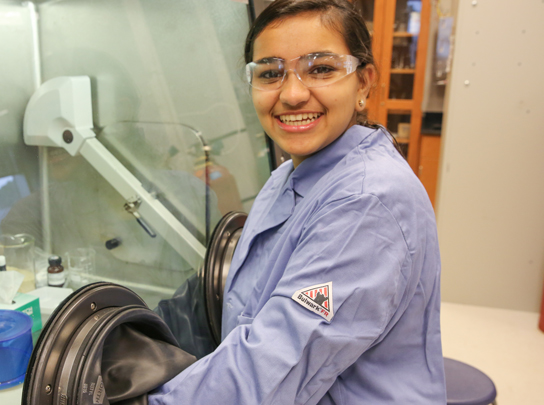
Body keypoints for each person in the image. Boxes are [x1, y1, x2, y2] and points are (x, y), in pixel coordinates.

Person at [148, 0, 445, 403]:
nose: (291, 94)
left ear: (363, 83)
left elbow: (276, 363)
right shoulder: (288, 175)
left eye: (320, 68)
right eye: (271, 73)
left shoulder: (367, 201)